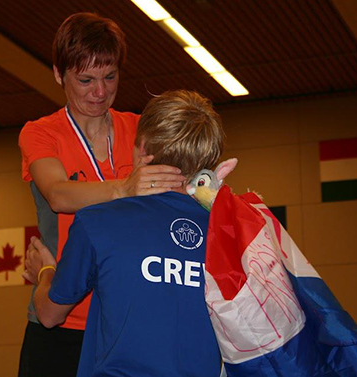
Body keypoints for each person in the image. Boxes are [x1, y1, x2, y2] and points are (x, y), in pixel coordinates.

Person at [17, 13, 185, 377]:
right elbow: (59, 195)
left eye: (110, 77)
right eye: (86, 79)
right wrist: (126, 187)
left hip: (128, 317)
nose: (100, 91)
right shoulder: (41, 133)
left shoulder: (141, 129)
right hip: (62, 321)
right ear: (59, 75)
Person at [24, 90, 224, 377]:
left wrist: (45, 271)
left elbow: (49, 315)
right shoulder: (228, 229)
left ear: (141, 149)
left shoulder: (97, 222)